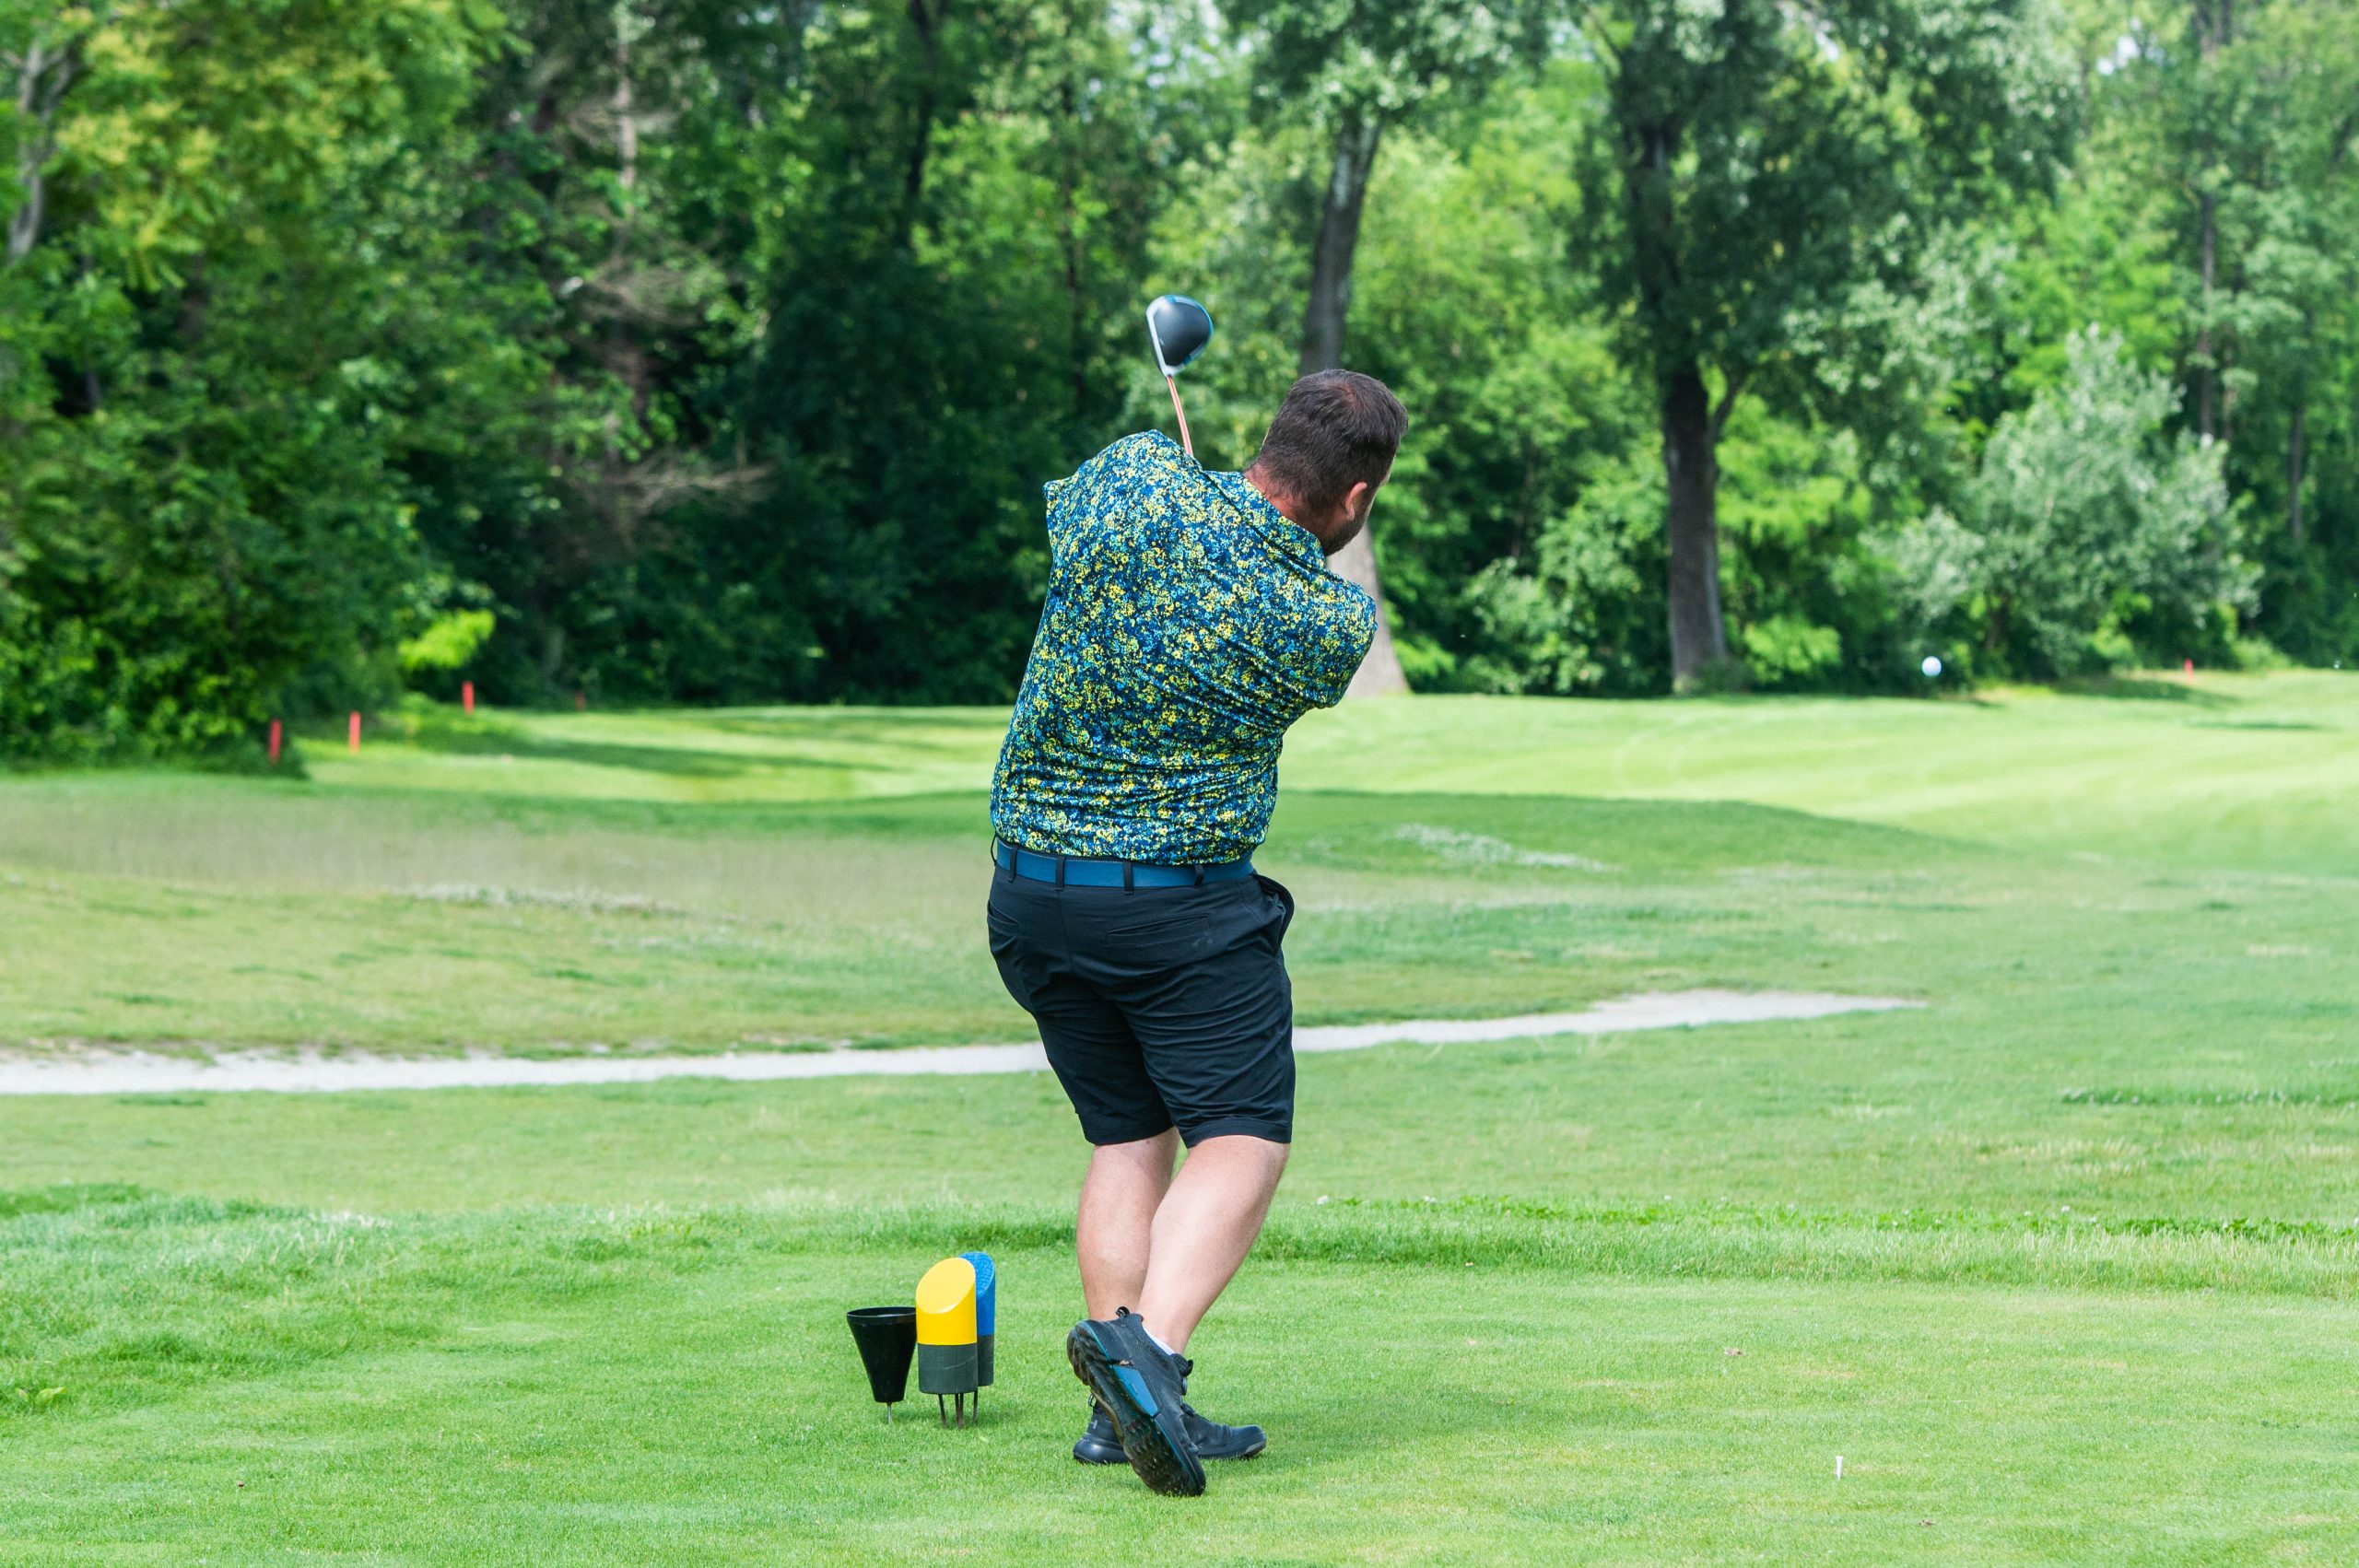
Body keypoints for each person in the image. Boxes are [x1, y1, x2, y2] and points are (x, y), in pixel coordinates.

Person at [985, 369, 1406, 1496]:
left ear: (1268, 440)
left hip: (1029, 895)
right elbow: (1282, 581)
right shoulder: (1327, 621)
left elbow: (1093, 508)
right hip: (1175, 912)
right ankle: (1149, 1366)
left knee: (1129, 1136)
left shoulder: (1133, 479)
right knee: (1242, 1134)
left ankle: (1113, 1414)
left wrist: (1197, 491)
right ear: (1356, 498)